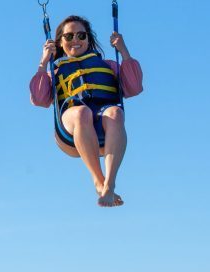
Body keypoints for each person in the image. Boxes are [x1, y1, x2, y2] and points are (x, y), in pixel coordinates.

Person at [29, 15, 143, 207]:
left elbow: (134, 87)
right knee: (82, 113)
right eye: (69, 36)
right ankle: (98, 180)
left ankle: (110, 183)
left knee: (115, 113)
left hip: (104, 118)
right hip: (72, 123)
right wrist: (43, 61)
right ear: (60, 42)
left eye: (81, 35)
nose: (75, 40)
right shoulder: (55, 72)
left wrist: (124, 51)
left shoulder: (108, 65)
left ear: (88, 39)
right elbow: (40, 99)